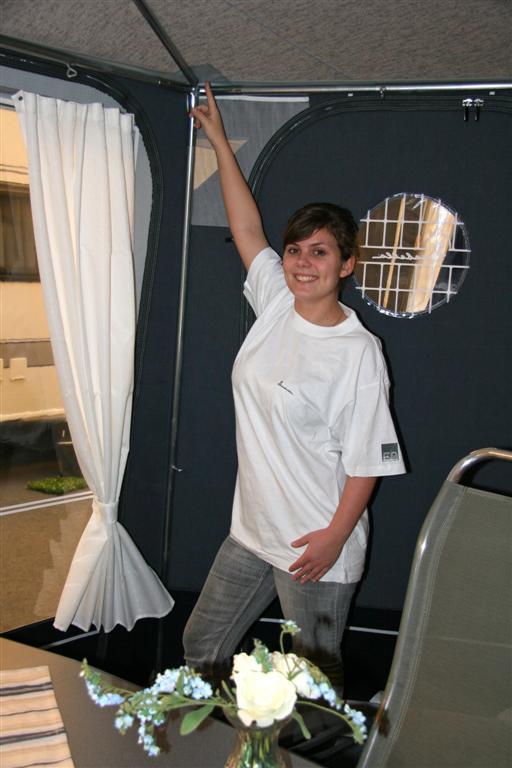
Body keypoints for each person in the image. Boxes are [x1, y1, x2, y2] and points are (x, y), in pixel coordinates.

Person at [183, 83, 405, 692]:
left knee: (312, 682)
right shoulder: (277, 303)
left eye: (320, 251)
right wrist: (219, 141)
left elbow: (367, 461)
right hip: (253, 532)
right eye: (295, 250)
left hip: (314, 542)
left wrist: (335, 538)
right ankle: (236, 737)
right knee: (201, 645)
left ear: (346, 264)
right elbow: (245, 224)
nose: (303, 262)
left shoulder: (358, 353)